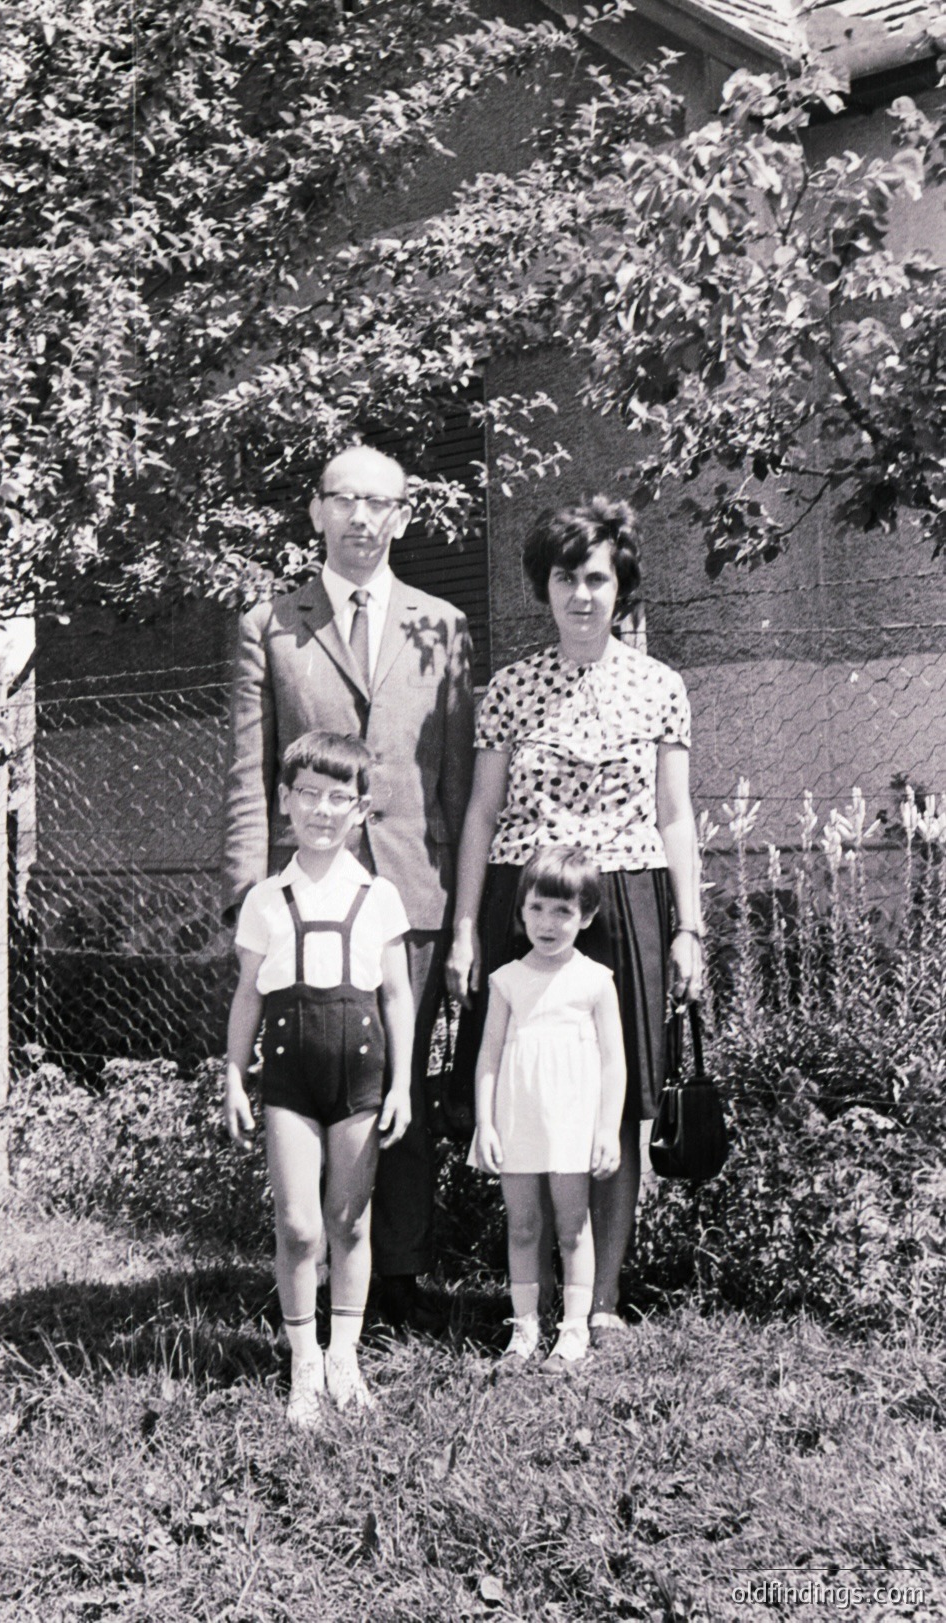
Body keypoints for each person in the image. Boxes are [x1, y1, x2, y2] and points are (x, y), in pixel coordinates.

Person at [223, 444, 474, 1329]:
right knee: (307, 1077)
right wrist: (242, 904)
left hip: (411, 894)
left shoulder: (440, 624)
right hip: (300, 904)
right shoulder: (270, 625)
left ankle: (395, 1275)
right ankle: (309, 1270)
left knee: (399, 1082)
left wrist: (463, 911)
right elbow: (251, 776)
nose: (362, 519)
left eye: (381, 503)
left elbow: (454, 782)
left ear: (403, 516)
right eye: (345, 501)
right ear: (317, 512)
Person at [446, 495, 703, 1348]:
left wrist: (687, 927)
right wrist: (462, 928)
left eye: (596, 577)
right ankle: (532, 1296)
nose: (581, 594)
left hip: (627, 898)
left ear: (620, 586)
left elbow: (674, 817)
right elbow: (480, 815)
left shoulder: (660, 687)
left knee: (615, 1097)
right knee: (524, 1082)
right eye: (565, 578)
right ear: (544, 588)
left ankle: (599, 1296)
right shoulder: (512, 688)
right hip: (526, 900)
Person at [224, 731, 414, 1427]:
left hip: (360, 1075)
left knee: (348, 1220)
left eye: (340, 798)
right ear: (284, 801)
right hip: (290, 1080)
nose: (323, 810)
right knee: (300, 1225)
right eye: (308, 794)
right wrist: (232, 1075)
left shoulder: (379, 895)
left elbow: (396, 994)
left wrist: (400, 1086)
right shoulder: (266, 899)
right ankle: (303, 1362)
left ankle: (344, 1356)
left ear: (361, 809)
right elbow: (248, 993)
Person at [469, 847, 626, 1369]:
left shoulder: (595, 981)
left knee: (571, 1224)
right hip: (519, 1120)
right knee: (522, 1225)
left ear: (587, 916)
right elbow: (488, 1057)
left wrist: (606, 1130)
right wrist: (486, 1123)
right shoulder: (507, 980)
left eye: (563, 911)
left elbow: (613, 1063)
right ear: (521, 912)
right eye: (537, 908)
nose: (548, 922)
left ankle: (574, 1331)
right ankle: (524, 1330)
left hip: (571, 1123)